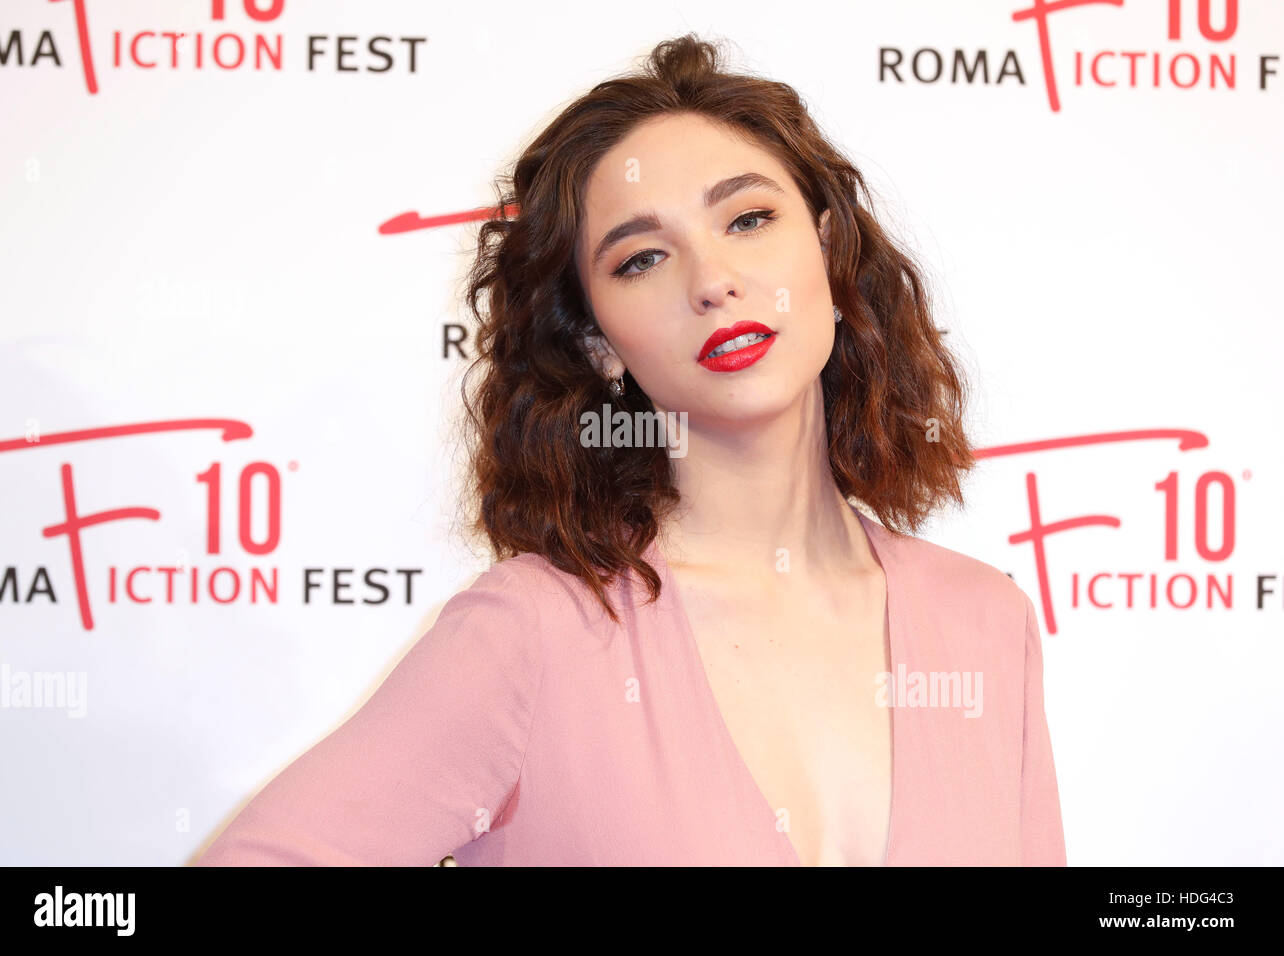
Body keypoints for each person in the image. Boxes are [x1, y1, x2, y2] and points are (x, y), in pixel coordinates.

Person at [192, 33, 1066, 867]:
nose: (714, 279)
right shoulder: (537, 633)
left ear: (831, 253)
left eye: (750, 218)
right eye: (642, 260)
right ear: (599, 342)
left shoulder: (985, 622)